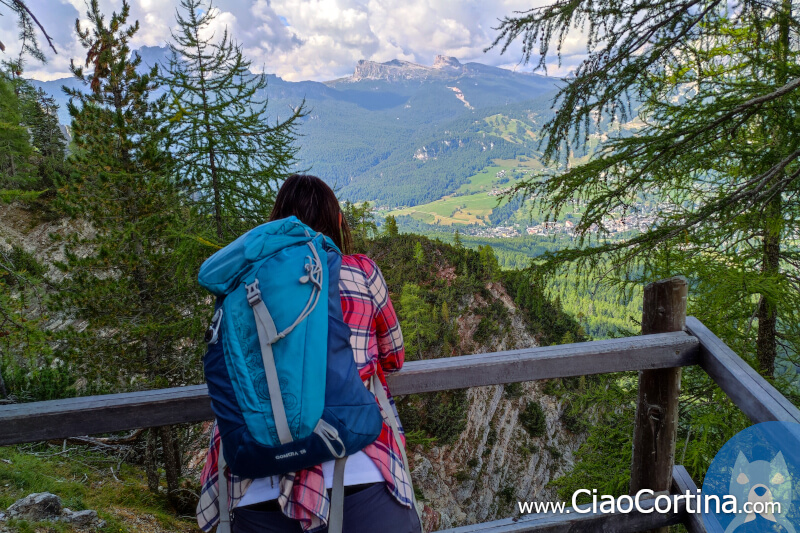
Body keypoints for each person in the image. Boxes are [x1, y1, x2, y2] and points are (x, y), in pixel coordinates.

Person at [196, 174, 422, 533]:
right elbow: (393, 356)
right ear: (336, 222)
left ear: (278, 221)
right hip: (360, 471)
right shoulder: (361, 272)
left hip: (254, 480)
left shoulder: (242, 284)